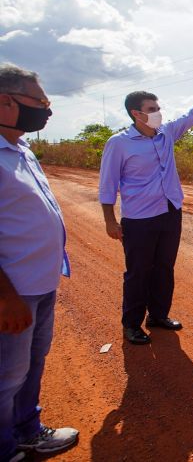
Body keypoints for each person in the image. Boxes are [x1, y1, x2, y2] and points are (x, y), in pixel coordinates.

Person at [99, 77, 193, 345]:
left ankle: (158, 315)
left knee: (164, 267)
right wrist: (110, 222)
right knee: (138, 272)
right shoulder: (119, 143)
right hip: (139, 219)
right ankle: (132, 324)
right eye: (151, 109)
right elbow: (107, 185)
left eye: (157, 108)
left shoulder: (167, 133)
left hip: (170, 212)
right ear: (136, 114)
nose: (157, 113)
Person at [0, 64, 79, 461]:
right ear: (5, 101)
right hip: (12, 291)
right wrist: (5, 297)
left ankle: (27, 430)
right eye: (40, 103)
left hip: (40, 283)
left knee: (31, 364)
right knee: (6, 376)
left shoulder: (20, 149)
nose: (47, 111)